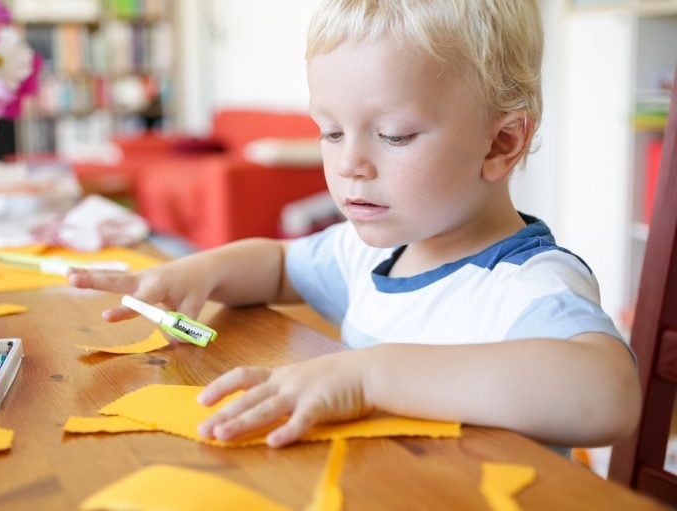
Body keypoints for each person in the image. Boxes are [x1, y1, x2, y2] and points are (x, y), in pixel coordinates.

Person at [69, 0, 641, 451]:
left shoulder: (526, 287)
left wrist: (371, 376)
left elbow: (607, 394)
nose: (348, 165)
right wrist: (199, 272)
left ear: (502, 142)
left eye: (392, 134)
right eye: (331, 132)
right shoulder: (368, 252)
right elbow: (276, 265)